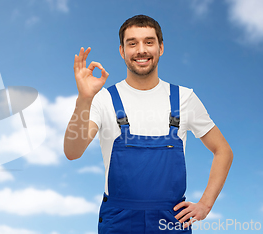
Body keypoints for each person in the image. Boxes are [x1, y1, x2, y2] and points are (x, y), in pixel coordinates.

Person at [63, 15, 233, 233]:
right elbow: (72, 152)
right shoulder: (103, 98)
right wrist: (84, 98)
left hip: (171, 220)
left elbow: (223, 151)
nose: (141, 50)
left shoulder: (184, 98)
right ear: (122, 51)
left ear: (160, 48)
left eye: (149, 42)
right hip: (118, 220)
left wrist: (205, 205)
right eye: (132, 43)